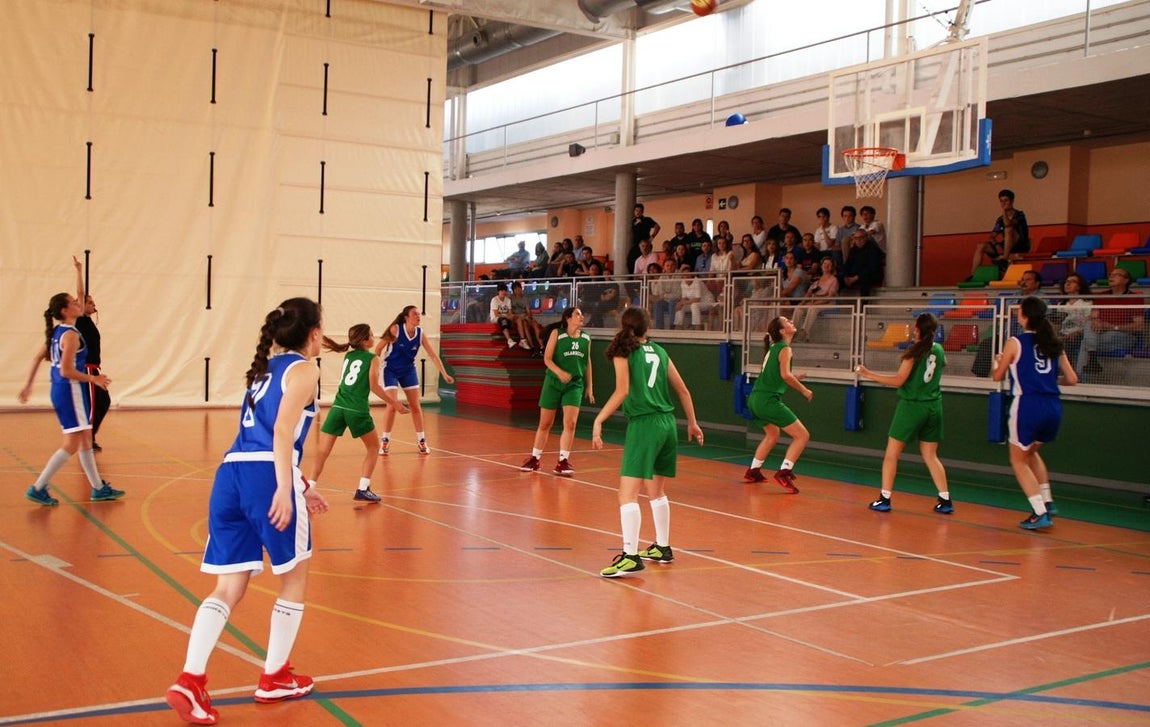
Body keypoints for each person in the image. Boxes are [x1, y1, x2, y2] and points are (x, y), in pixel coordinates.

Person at [165, 297, 330, 724]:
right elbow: (279, 432)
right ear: (313, 333)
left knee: (227, 589)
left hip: (230, 476)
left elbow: (258, 435)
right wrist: (284, 486)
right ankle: (274, 676)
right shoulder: (305, 369)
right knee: (294, 580)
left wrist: (302, 485)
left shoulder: (264, 370)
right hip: (265, 478)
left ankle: (190, 678)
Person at [591, 307, 703, 577]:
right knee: (656, 492)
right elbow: (683, 390)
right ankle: (662, 548)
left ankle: (630, 556)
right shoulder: (660, 352)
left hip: (645, 424)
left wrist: (599, 420)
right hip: (667, 424)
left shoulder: (624, 351)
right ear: (647, 328)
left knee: (626, 494)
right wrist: (693, 422)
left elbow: (622, 391)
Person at [18, 279, 125, 506]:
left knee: (86, 439)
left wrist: (27, 385)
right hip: (70, 391)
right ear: (66, 310)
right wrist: (92, 378)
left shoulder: (58, 332)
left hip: (63, 390)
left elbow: (38, 357)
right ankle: (38, 487)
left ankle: (98, 488)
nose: (78, 303)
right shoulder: (70, 335)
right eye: (73, 302)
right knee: (71, 444)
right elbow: (66, 370)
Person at [991, 296, 1077, 530]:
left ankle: (1039, 512)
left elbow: (997, 376)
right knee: (1030, 453)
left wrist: (996, 363)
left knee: (1017, 460)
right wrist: (1046, 380)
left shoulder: (1015, 342)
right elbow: (1072, 379)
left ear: (1025, 316)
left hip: (1028, 405)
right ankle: (1047, 502)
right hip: (1052, 406)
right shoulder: (1053, 342)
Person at [856, 313, 953, 514]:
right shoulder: (939, 349)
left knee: (892, 454)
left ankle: (885, 498)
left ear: (917, 330)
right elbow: (943, 364)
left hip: (912, 406)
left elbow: (898, 381)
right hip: (934, 406)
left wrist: (868, 374)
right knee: (930, 455)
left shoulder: (913, 353)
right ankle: (945, 500)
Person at [308, 324, 408, 503]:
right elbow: (374, 387)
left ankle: (309, 487)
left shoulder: (349, 355)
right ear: (364, 340)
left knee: (322, 451)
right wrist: (395, 403)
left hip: (337, 407)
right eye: (370, 335)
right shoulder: (372, 358)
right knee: (373, 448)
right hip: (356, 410)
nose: (373, 337)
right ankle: (363, 488)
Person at [520, 307, 595, 476]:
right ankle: (535, 459)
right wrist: (560, 372)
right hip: (553, 382)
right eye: (578, 314)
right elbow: (547, 358)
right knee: (545, 423)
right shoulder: (557, 334)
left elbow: (587, 362)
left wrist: (590, 386)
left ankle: (563, 461)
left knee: (570, 423)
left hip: (574, 384)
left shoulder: (586, 338)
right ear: (568, 318)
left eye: (582, 314)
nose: (581, 316)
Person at [373, 305, 455, 456]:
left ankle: (421, 440)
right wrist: (375, 369)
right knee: (392, 405)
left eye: (419, 314)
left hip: (408, 370)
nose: (418, 316)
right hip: (389, 369)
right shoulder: (395, 329)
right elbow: (378, 349)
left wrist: (444, 374)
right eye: (415, 314)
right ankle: (385, 440)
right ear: (406, 317)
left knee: (415, 406)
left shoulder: (420, 333)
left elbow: (433, 355)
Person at [742, 316, 811, 492]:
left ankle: (753, 470)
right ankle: (784, 472)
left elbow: (778, 375)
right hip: (767, 400)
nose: (791, 322)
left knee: (772, 434)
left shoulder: (774, 348)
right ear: (782, 331)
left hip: (755, 399)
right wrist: (804, 390)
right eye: (787, 321)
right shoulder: (785, 348)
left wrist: (793, 377)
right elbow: (785, 376)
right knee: (802, 436)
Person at [1075, 267, 1144, 381]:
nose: (1111, 277)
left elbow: (1139, 326)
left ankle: (1080, 378)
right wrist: (1096, 320)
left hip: (1124, 336)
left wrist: (1112, 327)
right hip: (1100, 335)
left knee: (1086, 343)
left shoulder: (1134, 297)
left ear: (1126, 280)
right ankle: (1087, 366)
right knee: (1089, 325)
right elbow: (1093, 316)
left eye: (1116, 275)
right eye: (1110, 274)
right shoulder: (1101, 296)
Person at [71, 256, 111, 451]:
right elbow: (80, 293)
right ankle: (87, 439)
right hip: (88, 369)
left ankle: (89, 437)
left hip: (94, 369)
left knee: (104, 401)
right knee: (96, 405)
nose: (94, 305)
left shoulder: (88, 322)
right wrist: (79, 271)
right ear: (81, 306)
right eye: (90, 302)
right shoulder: (80, 319)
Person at [971, 189, 1030, 275]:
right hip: (1005, 245)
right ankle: (973, 274)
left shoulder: (1020, 214)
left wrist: (1003, 211)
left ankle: (1004, 260)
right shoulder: (1000, 219)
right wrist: (996, 245)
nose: (1003, 203)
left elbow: (1008, 224)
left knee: (1008, 229)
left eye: (1006, 200)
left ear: (1012, 201)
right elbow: (992, 236)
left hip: (1019, 244)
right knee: (981, 246)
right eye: (1001, 201)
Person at [792, 256, 840, 341]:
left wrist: (813, 303)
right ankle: (792, 331)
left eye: (829, 264)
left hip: (828, 304)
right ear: (821, 266)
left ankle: (804, 332)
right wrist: (802, 303)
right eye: (825, 263)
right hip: (814, 303)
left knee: (812, 308)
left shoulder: (834, 280)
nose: (826, 265)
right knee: (799, 308)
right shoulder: (817, 280)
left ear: (832, 267)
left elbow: (829, 298)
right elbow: (808, 293)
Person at [1056, 273, 1092, 365]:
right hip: (1063, 334)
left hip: (1080, 334)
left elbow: (1089, 323)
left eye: (1072, 282)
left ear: (1079, 287)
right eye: (1067, 282)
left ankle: (1067, 374)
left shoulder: (1087, 303)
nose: (1067, 284)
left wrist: (1078, 332)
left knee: (1064, 345)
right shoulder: (1060, 304)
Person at [841, 230, 885, 296]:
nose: (858, 240)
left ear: (866, 238)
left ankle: (863, 305)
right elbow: (847, 264)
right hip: (854, 277)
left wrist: (856, 278)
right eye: (856, 238)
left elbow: (871, 268)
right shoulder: (853, 250)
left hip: (869, 276)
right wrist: (846, 277)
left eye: (861, 237)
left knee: (865, 280)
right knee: (837, 279)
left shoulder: (873, 249)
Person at [509, 280, 544, 352]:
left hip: (525, 316)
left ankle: (542, 346)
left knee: (535, 325)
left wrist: (529, 317)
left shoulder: (525, 298)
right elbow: (510, 312)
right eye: (516, 289)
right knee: (525, 324)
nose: (518, 290)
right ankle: (532, 346)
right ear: (513, 290)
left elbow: (528, 311)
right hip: (517, 317)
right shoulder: (510, 298)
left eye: (519, 288)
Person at [628, 203, 660, 276]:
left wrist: (652, 237)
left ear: (642, 212)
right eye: (636, 210)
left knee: (647, 261)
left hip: (645, 244)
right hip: (636, 245)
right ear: (634, 211)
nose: (638, 212)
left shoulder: (647, 220)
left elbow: (657, 227)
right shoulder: (632, 221)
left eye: (640, 211)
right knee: (630, 261)